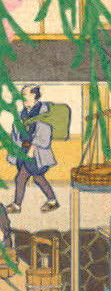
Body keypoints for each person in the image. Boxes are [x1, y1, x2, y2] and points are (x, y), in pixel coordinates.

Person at [8, 85, 58, 222]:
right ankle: (53, 201)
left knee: (21, 177)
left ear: (34, 95)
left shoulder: (43, 112)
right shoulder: (23, 113)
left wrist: (32, 149)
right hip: (23, 150)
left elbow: (44, 134)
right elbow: (17, 131)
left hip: (36, 153)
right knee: (37, 177)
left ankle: (17, 205)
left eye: (24, 94)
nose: (22, 97)